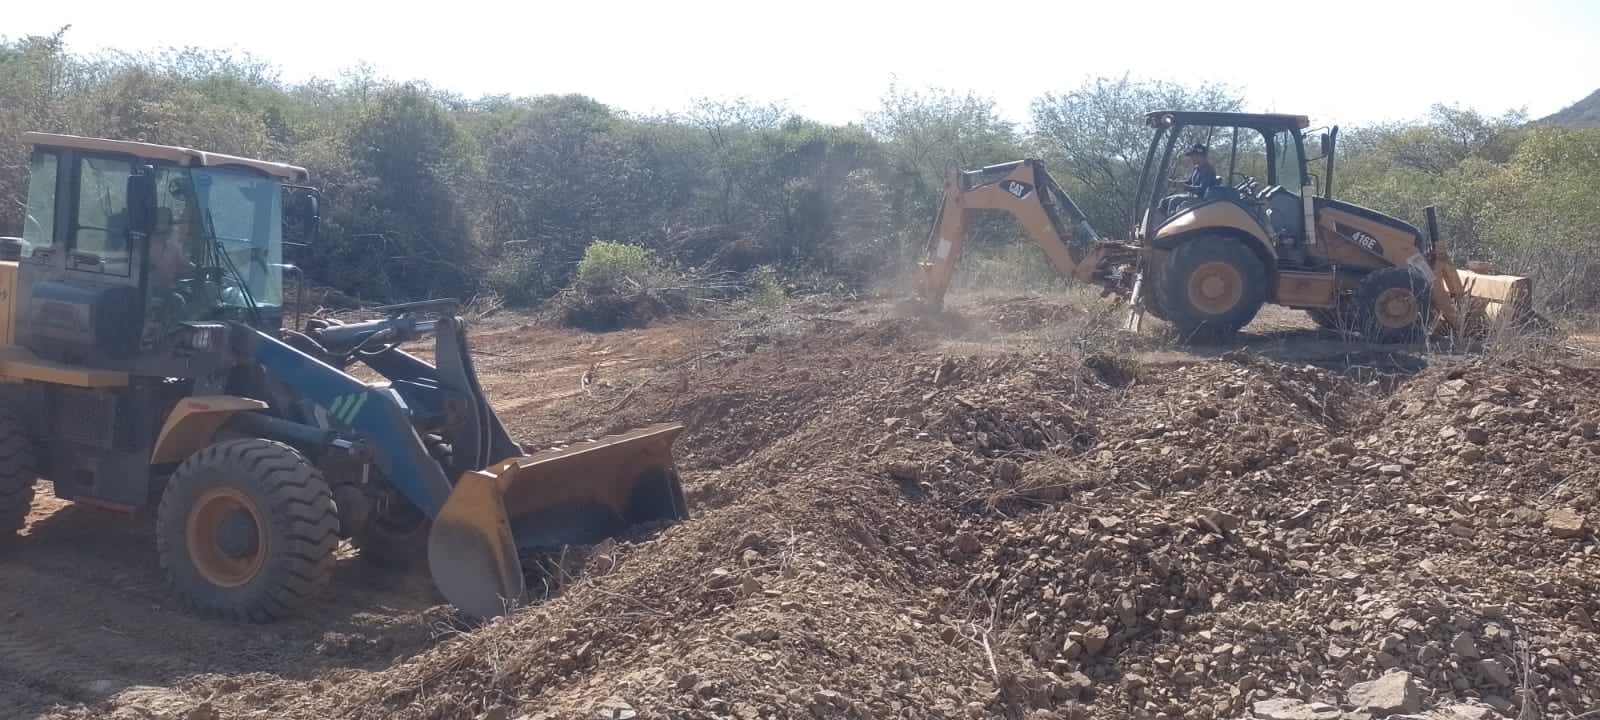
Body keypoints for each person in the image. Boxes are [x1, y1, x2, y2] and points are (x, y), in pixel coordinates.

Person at [1160, 144, 1220, 215]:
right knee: (1164, 201)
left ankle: (1171, 222)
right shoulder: (1197, 168)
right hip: (1192, 197)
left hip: (1202, 201)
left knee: (1175, 201)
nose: (1191, 158)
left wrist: (1185, 187)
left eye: (1193, 156)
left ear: (1200, 156)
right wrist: (1175, 183)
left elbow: (1202, 189)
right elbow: (1189, 182)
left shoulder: (1208, 170)